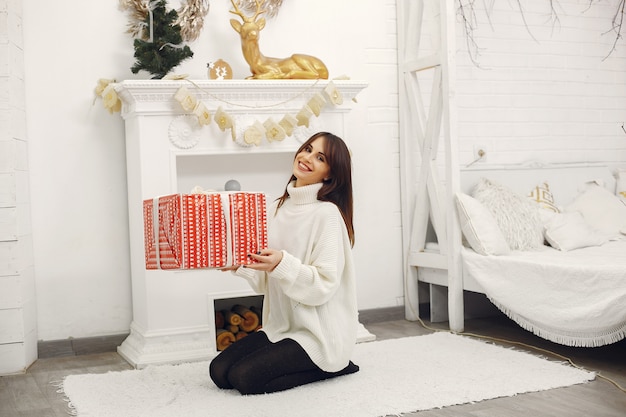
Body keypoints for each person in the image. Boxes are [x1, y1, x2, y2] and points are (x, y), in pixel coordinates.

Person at [209, 131, 360, 395]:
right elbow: (271, 280)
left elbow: (323, 285)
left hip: (318, 335)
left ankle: (337, 365)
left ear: (329, 174)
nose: (307, 157)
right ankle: (304, 359)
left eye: (320, 157)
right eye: (307, 149)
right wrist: (241, 265)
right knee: (220, 372)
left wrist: (282, 263)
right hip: (281, 327)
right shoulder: (280, 207)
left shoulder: (327, 215)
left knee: (245, 379)